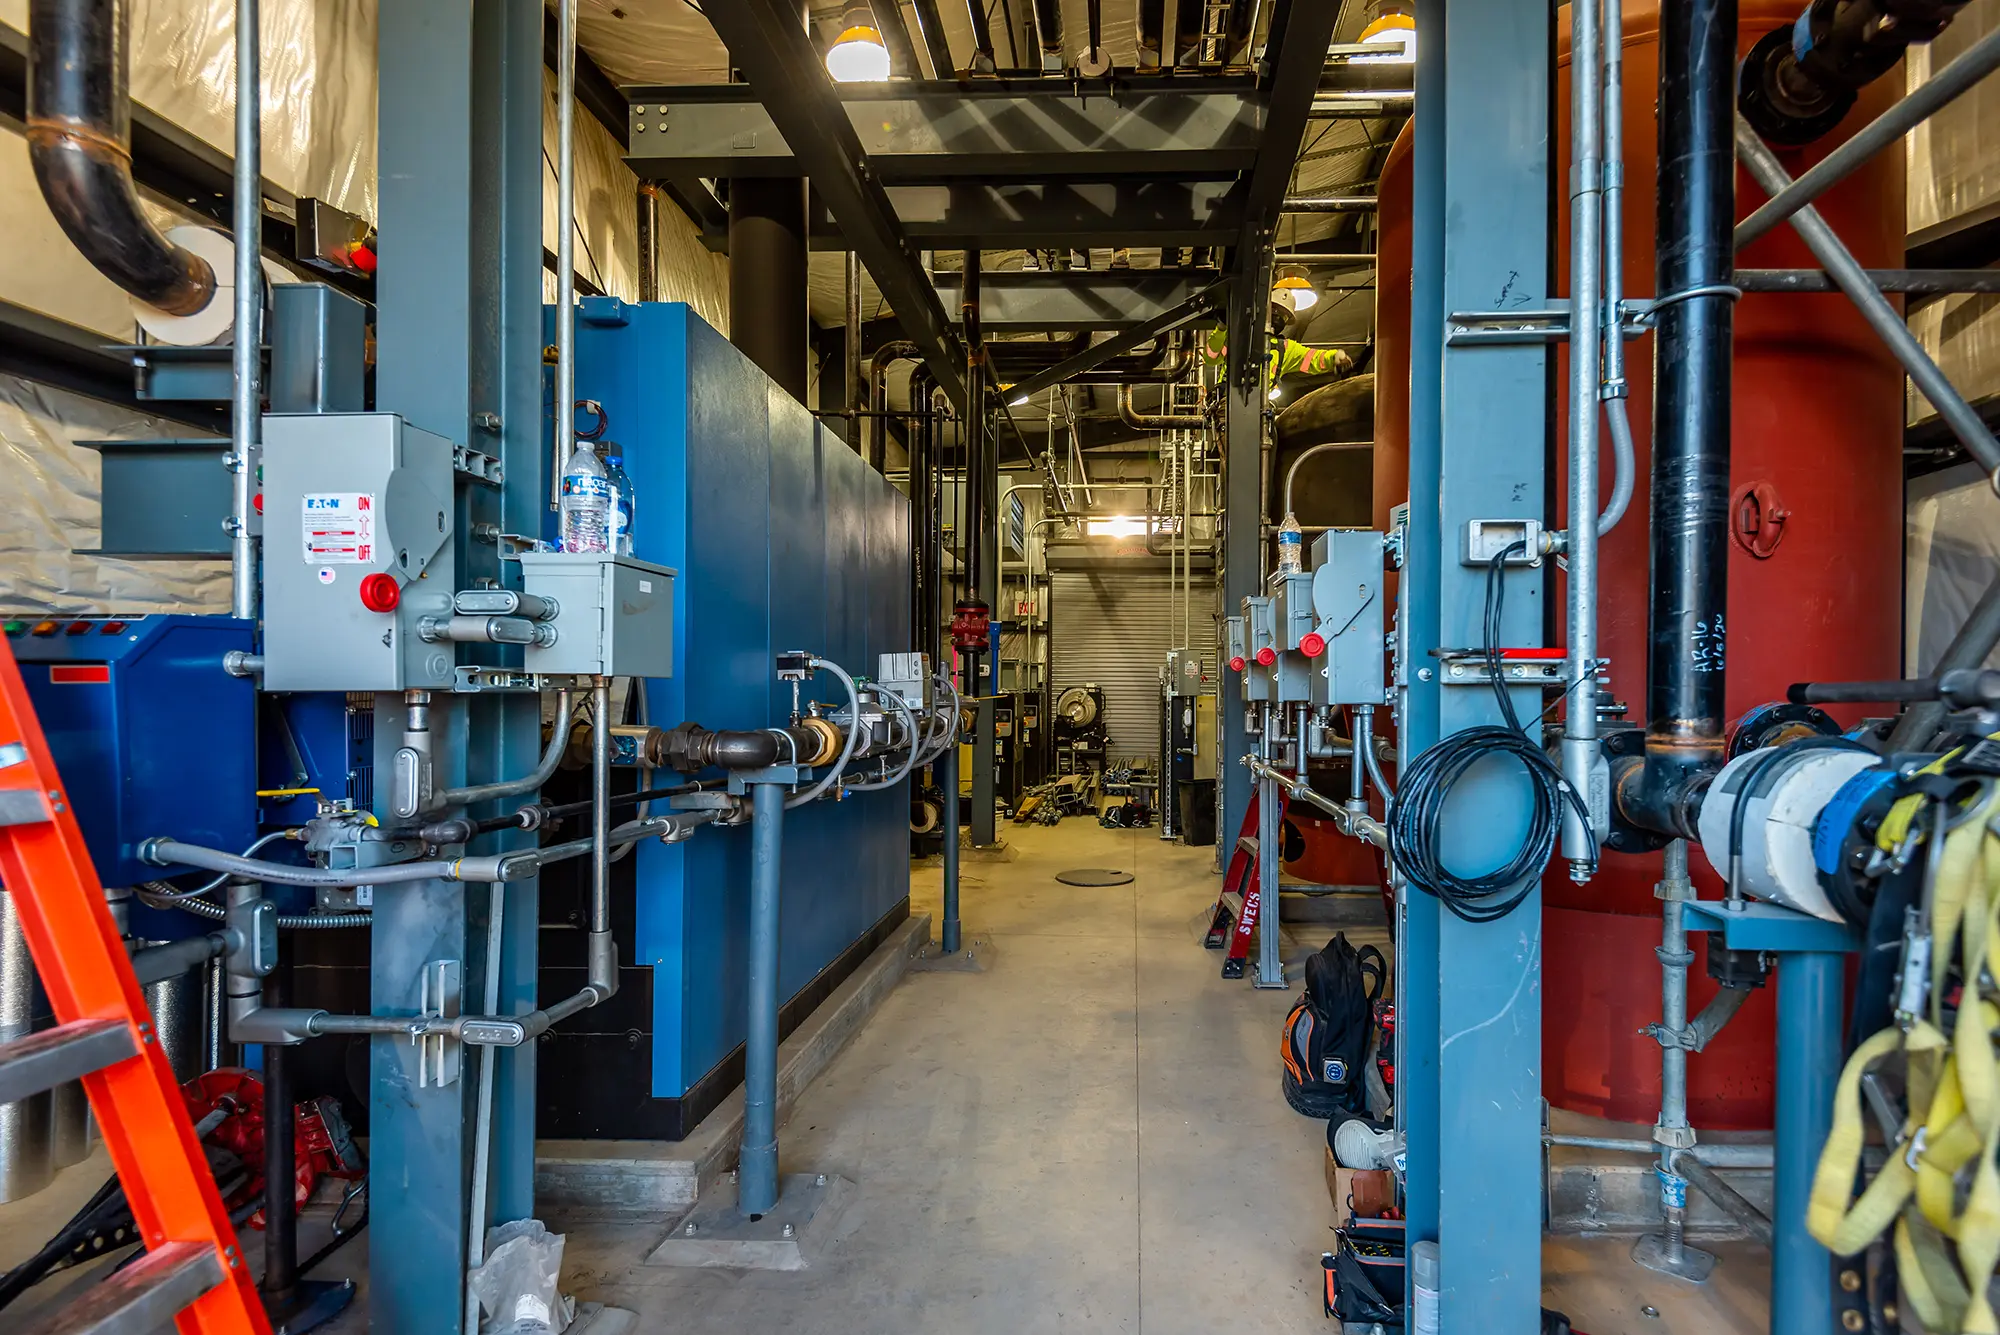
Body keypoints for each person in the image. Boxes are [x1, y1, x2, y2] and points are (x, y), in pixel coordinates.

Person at [1203, 302, 1355, 384]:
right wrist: (1221, 328)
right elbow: (1211, 357)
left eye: (1284, 315)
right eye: (1275, 310)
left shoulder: (1286, 348)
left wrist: (1336, 356)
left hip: (1259, 412)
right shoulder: (1237, 337)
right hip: (1227, 404)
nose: (1278, 317)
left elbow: (1313, 359)